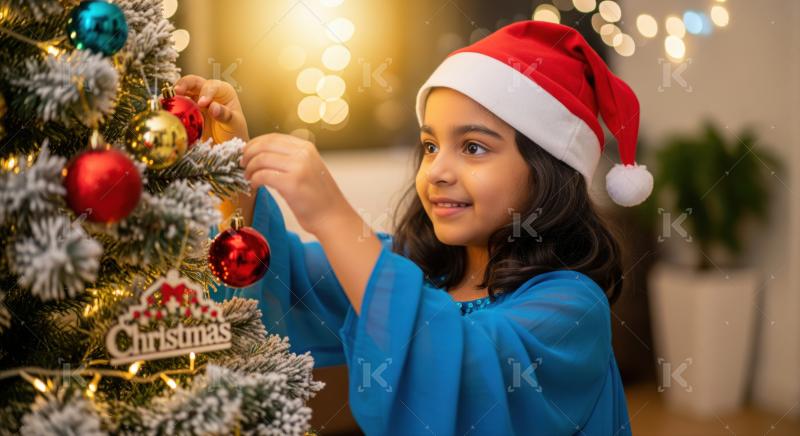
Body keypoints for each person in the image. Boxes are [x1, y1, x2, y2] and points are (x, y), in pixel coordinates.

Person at [177, 20, 652, 436]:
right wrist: (233, 179)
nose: (437, 171)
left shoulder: (571, 308)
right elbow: (288, 281)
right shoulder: (416, 271)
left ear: (545, 170)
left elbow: (464, 375)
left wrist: (335, 218)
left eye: (473, 147)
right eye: (429, 146)